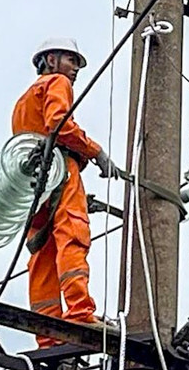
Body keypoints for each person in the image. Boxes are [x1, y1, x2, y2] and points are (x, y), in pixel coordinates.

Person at [15, 36, 117, 347]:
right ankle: (80, 312)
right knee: (72, 232)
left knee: (42, 250)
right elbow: (59, 123)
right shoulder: (56, 82)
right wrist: (96, 152)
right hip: (59, 168)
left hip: (30, 183)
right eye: (71, 60)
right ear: (50, 60)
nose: (75, 69)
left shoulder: (23, 101)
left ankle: (48, 333)